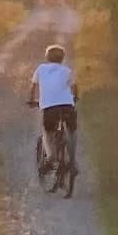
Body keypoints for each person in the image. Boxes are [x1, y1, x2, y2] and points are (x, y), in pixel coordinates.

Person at [29, 40, 79, 183]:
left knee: (47, 132)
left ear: (47, 57)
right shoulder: (67, 70)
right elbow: (74, 87)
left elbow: (33, 86)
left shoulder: (41, 69)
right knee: (72, 130)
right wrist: (75, 97)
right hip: (67, 105)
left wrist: (32, 100)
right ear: (62, 58)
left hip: (50, 107)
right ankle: (72, 161)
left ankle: (51, 158)